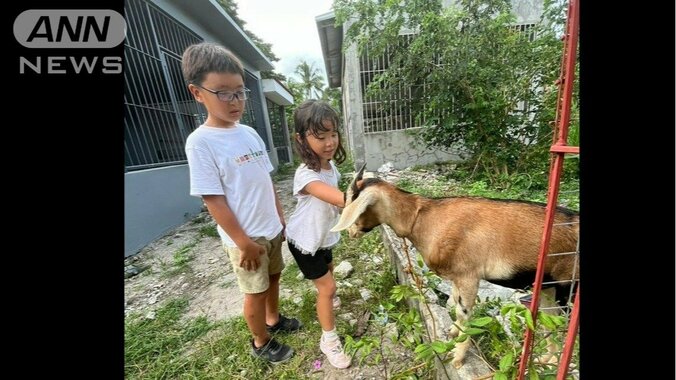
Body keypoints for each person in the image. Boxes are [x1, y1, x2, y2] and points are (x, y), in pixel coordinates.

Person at [182, 42, 301, 364]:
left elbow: (266, 181)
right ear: (197, 92)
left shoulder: (249, 133)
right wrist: (243, 243)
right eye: (223, 92)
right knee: (255, 290)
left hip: (271, 229)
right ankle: (261, 341)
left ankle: (273, 320)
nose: (235, 101)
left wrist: (281, 218)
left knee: (274, 277)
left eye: (240, 92)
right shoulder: (201, 143)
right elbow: (213, 199)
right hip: (245, 239)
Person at [285, 100, 353, 369]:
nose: (329, 142)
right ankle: (329, 341)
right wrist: (371, 196)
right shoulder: (306, 175)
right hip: (304, 242)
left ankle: (329, 296)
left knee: (329, 265)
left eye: (333, 134)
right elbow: (339, 198)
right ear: (301, 139)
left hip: (323, 236)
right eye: (320, 136)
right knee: (327, 286)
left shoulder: (330, 167)